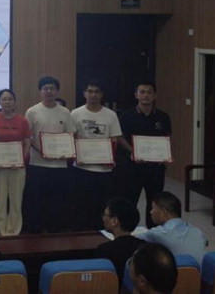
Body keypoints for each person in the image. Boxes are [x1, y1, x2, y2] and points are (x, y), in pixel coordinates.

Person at [23, 76, 76, 233]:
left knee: (57, 200)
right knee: (37, 199)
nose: (49, 91)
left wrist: (65, 150)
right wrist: (41, 150)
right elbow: (27, 137)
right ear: (40, 91)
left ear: (57, 91)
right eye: (45, 88)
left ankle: (54, 230)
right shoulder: (32, 111)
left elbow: (70, 135)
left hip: (59, 164)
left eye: (52, 88)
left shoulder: (65, 112)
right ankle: (37, 230)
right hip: (37, 163)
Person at [116, 83, 172, 228]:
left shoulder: (163, 117)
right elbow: (120, 137)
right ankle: (128, 231)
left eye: (149, 92)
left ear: (155, 95)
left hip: (156, 168)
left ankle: (153, 232)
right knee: (130, 201)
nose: (146, 95)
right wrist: (133, 151)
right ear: (136, 95)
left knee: (155, 202)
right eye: (142, 92)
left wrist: (165, 154)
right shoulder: (127, 116)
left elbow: (166, 138)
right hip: (133, 166)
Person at [71, 80, 123, 230]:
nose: (93, 95)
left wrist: (110, 158)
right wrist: (77, 156)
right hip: (82, 168)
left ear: (102, 94)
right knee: (82, 204)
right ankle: (82, 233)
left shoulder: (111, 115)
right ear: (84, 94)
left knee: (102, 204)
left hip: (104, 169)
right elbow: (71, 138)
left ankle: (100, 232)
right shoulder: (75, 113)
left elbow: (114, 139)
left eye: (97, 91)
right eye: (90, 91)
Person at [0, 88, 31, 236]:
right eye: (4, 99)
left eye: (10, 99)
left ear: (15, 102)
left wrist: (21, 161)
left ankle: (13, 231)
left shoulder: (23, 121)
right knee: (0, 201)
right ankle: (1, 232)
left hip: (17, 167)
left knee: (16, 201)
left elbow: (27, 143)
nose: (7, 102)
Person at [138, 191, 208, 265]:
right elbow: (205, 241)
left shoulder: (157, 233)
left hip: (176, 271)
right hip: (199, 272)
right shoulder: (197, 231)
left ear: (164, 212)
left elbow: (135, 238)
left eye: (153, 208)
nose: (151, 212)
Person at [97, 197, 143, 285]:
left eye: (105, 215)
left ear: (114, 221)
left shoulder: (104, 250)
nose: (103, 219)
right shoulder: (145, 246)